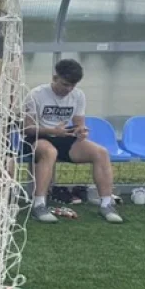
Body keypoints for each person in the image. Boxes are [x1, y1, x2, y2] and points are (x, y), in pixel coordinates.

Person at [24, 59, 123, 224]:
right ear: (55, 78)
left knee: (101, 152)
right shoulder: (36, 94)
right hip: (38, 137)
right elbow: (27, 129)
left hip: (64, 135)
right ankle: (39, 205)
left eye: (73, 85)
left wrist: (81, 131)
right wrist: (52, 131)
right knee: (50, 152)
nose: (68, 89)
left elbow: (78, 124)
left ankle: (107, 204)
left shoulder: (78, 95)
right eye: (65, 84)